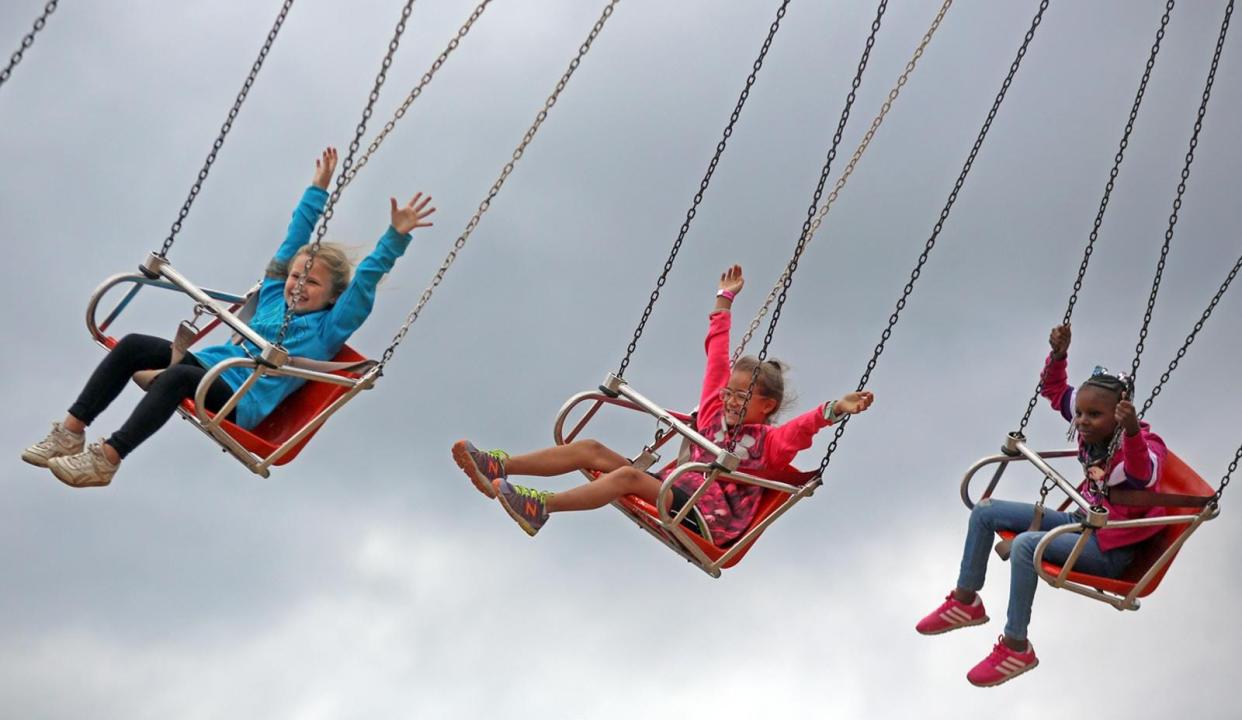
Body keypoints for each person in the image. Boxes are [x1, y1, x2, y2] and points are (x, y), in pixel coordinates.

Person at [21, 147, 436, 487]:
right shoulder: (274, 294)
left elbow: (365, 281)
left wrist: (395, 237)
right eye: (296, 275)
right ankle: (71, 432)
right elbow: (293, 238)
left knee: (181, 378)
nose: (297, 285)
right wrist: (317, 191)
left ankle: (108, 458)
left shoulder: (330, 326)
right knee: (133, 345)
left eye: (311, 284)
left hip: (241, 401)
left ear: (331, 297)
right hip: (209, 367)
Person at [452, 264, 875, 545]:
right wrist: (723, 301)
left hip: (705, 516)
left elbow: (800, 429)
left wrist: (835, 409)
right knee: (592, 449)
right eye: (728, 392)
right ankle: (498, 466)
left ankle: (542, 506)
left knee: (626, 479)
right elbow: (716, 355)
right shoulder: (712, 410)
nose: (728, 401)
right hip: (678, 489)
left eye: (741, 396)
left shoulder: (768, 443)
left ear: (766, 405)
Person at [915, 322, 1167, 687]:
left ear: (1119, 415)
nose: (1082, 421)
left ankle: (1017, 646)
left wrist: (1129, 433)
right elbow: (1053, 390)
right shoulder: (1088, 426)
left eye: (1093, 416)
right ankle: (966, 600)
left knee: (1025, 546)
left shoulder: (1143, 444)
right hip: (1081, 520)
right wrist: (1059, 355)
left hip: (1109, 548)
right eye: (1080, 413)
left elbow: (1143, 475)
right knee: (986, 510)